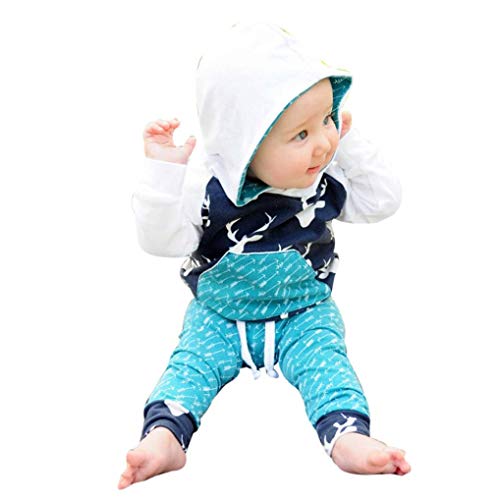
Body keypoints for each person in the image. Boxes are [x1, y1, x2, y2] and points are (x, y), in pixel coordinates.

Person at [118, 22, 411, 490]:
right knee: (188, 370)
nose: (323, 143)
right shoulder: (205, 190)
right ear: (244, 144)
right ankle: (165, 438)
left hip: (304, 314)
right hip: (218, 317)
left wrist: (350, 142)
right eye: (301, 134)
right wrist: (162, 175)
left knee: (328, 368)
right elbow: (161, 241)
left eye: (327, 119)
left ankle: (347, 436)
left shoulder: (320, 179)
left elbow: (382, 201)